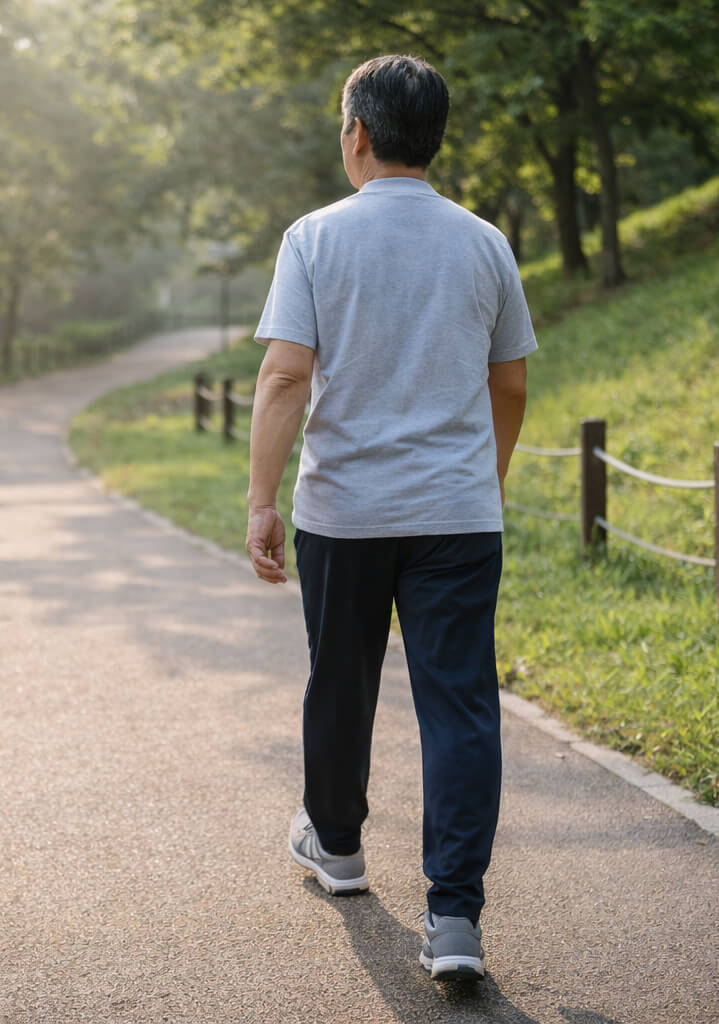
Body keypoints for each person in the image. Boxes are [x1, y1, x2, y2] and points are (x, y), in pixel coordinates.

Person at [245, 54, 535, 983]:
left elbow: (284, 377)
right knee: (461, 707)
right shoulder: (485, 243)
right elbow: (510, 382)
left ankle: (336, 846)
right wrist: (483, 481)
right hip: (458, 514)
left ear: (358, 134)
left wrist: (262, 500)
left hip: (345, 512)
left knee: (341, 683)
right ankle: (455, 918)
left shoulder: (314, 238)